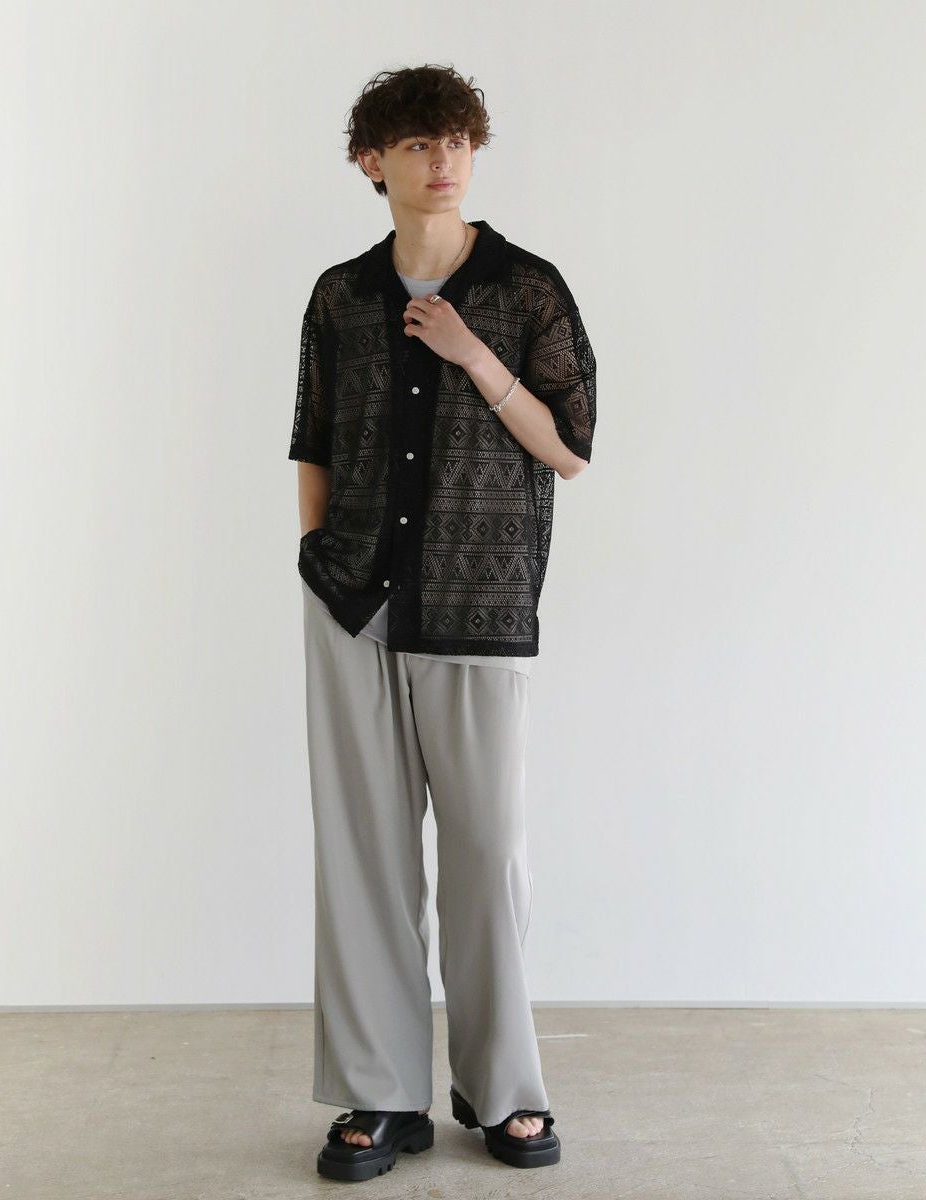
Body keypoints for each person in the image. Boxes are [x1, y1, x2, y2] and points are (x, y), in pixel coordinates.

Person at [289, 64, 596, 1182]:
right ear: (372, 162)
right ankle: (380, 1095)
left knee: (486, 853)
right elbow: (315, 439)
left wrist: (471, 354)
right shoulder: (338, 296)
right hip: (353, 602)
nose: (444, 161)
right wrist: (318, 561)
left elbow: (570, 449)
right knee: (363, 854)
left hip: (478, 603)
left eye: (458, 140)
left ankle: (504, 1090)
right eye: (420, 144)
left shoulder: (526, 290)